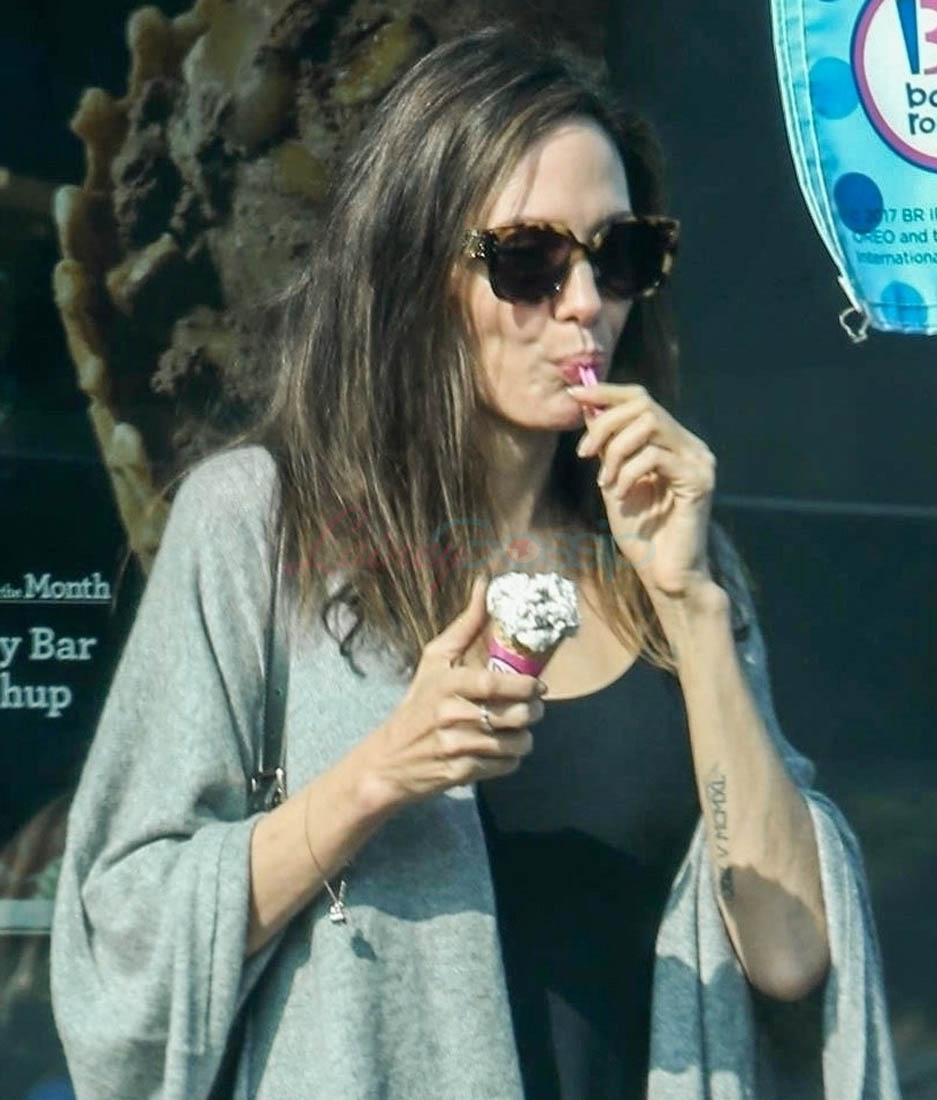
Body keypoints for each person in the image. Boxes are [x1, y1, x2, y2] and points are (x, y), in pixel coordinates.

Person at [50, 26, 900, 1100]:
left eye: (619, 255)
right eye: (529, 261)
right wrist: (377, 775)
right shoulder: (258, 524)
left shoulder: (677, 563)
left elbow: (788, 956)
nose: (583, 303)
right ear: (415, 269)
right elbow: (120, 938)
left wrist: (692, 603)